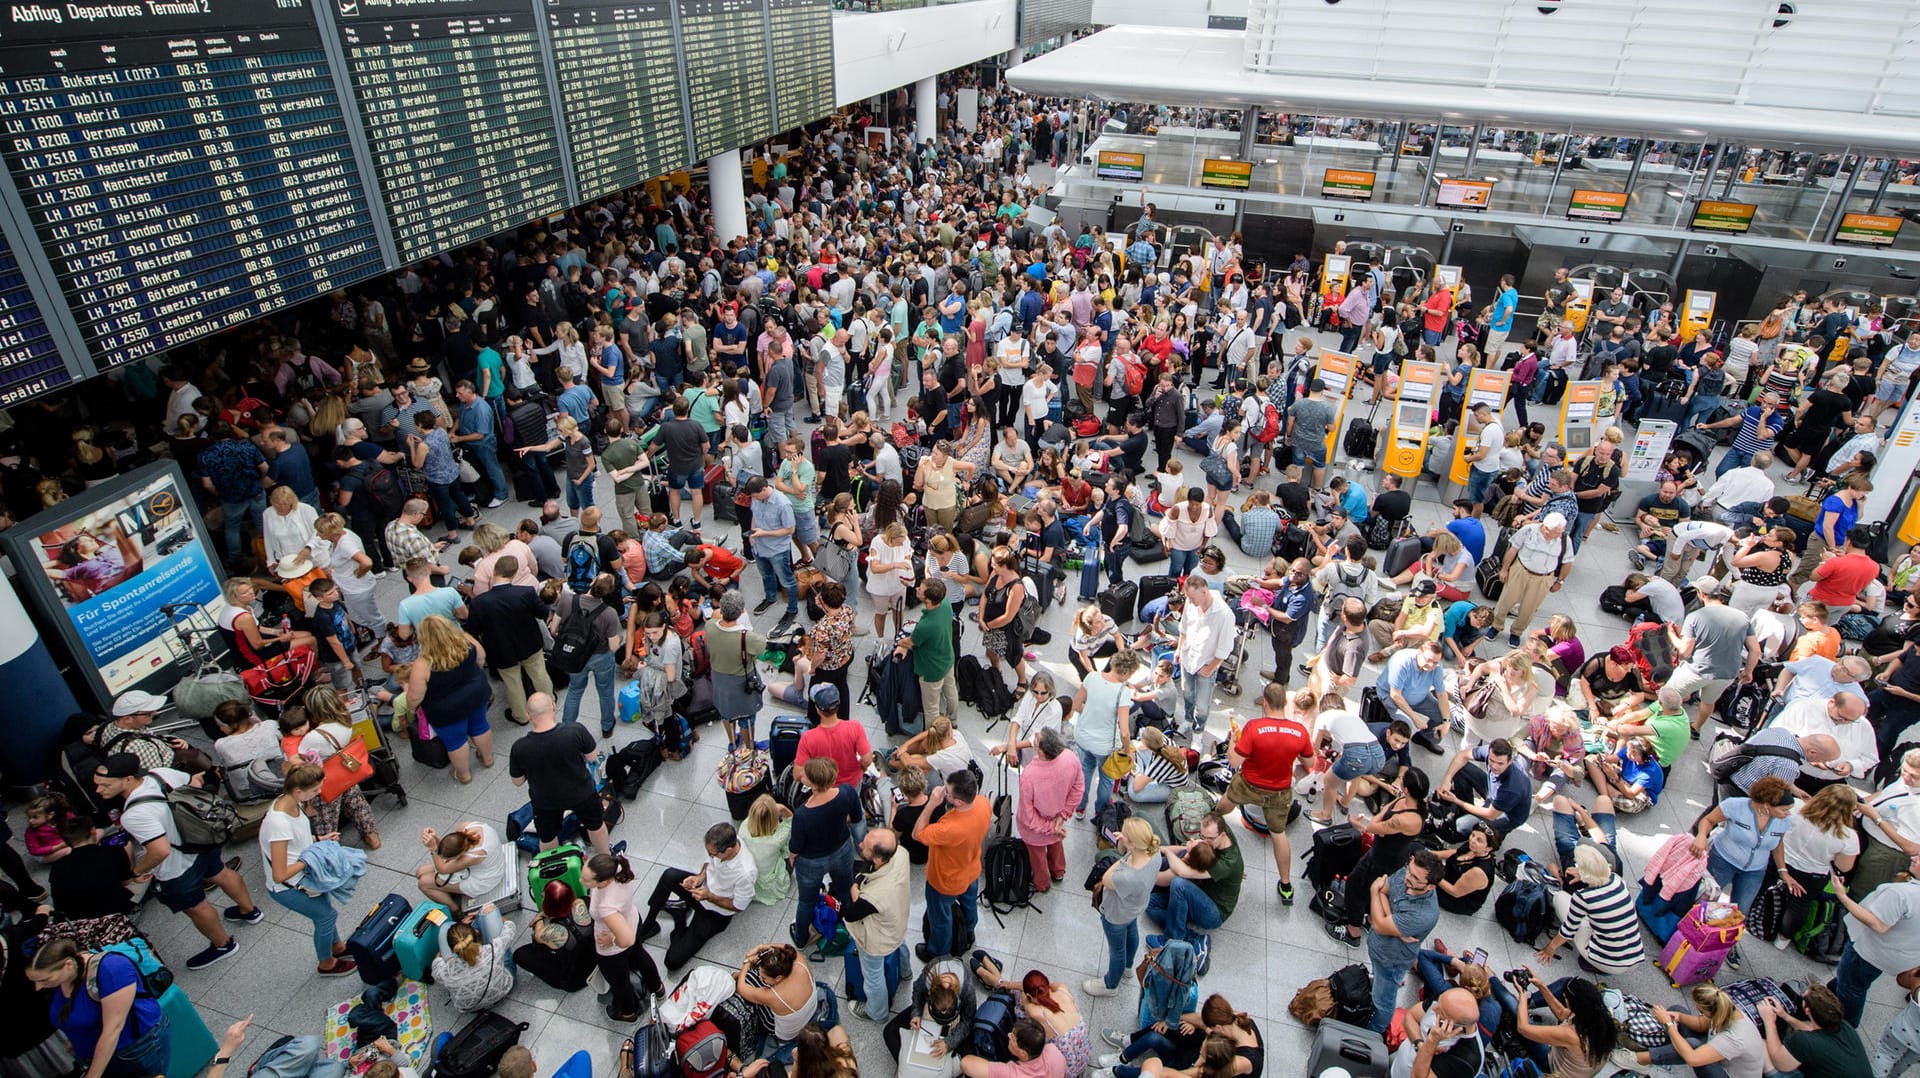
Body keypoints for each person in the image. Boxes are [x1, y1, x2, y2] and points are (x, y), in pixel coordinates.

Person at [91, 753, 260, 971]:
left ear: (128, 779)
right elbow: (195, 782)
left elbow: (160, 850)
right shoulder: (160, 775)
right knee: (221, 873)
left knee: (196, 906)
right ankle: (249, 911)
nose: (99, 790)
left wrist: (136, 871)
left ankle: (223, 945)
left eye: (105, 785)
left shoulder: (133, 815)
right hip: (201, 841)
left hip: (176, 868)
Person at [258, 762, 358, 977]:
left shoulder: (292, 802)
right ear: (298, 791)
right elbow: (279, 874)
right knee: (325, 917)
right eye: (315, 790)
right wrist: (311, 858)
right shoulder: (279, 824)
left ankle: (337, 948)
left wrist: (319, 839)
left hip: (304, 878)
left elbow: (297, 841)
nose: (319, 793)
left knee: (325, 910)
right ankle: (326, 963)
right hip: (288, 886)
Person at [1216, 682, 1310, 904]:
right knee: (1278, 834)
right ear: (1285, 703)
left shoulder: (1254, 727)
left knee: (1225, 803)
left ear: (1265, 703)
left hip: (1249, 783)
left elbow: (1234, 761)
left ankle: (1207, 830)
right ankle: (1285, 885)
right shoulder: (1300, 731)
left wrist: (1233, 739)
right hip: (1279, 791)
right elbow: (1311, 761)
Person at [27, 938, 170, 1078]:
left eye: (44, 980)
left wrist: (93, 1074)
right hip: (98, 1056)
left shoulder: (111, 969)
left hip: (134, 1050)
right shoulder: (61, 979)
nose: (38, 987)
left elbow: (113, 1029)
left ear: (68, 964)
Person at [635, 821, 757, 972]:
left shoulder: (745, 872)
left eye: (714, 854)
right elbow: (709, 862)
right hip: (703, 890)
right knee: (669, 875)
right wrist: (699, 877)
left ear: (729, 849)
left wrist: (709, 896)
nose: (711, 856)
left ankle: (680, 916)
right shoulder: (724, 843)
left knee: (672, 961)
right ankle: (649, 924)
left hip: (715, 914)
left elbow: (739, 906)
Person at [1331, 770, 1430, 948]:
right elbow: (1383, 815)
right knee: (1374, 890)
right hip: (1387, 853)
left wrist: (1370, 825)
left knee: (1355, 887)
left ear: (1406, 789)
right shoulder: (1406, 802)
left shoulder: (1406, 819)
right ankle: (1369, 919)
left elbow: (1375, 826)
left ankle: (1352, 932)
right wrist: (1376, 825)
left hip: (1382, 859)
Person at [507, 692, 611, 856]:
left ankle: (552, 866)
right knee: (595, 825)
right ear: (554, 707)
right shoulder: (575, 730)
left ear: (528, 715)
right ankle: (606, 859)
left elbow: (518, 781)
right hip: (582, 792)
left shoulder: (520, 747)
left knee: (547, 836)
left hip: (545, 801)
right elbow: (592, 757)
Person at [1831, 850, 1920, 1027]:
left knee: (1852, 989)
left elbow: (1878, 924)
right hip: (1898, 956)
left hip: (1869, 952)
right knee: (1849, 981)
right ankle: (1826, 997)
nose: (1913, 858)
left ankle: (1844, 1030)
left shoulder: (1901, 894)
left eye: (1919, 858)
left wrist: (1842, 896)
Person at [913, 767, 992, 961]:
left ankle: (938, 951)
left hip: (945, 881)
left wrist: (931, 804)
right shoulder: (983, 804)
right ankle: (969, 931)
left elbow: (917, 834)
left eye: (946, 792)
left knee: (940, 918)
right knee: (969, 903)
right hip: (971, 869)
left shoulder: (948, 828)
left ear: (958, 801)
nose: (942, 792)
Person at [404, 614, 494, 783]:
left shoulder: (423, 664)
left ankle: (464, 775)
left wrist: (411, 709)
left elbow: (415, 697)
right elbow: (481, 659)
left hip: (445, 709)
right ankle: (487, 759)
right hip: (476, 694)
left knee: (456, 741)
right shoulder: (466, 641)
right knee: (480, 726)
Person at [1362, 850, 1443, 1036]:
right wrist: (1392, 919)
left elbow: (1379, 921)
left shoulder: (1423, 914)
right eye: (1409, 870)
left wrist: (1374, 892)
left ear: (1430, 887)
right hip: (1379, 946)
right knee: (1381, 984)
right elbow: (1384, 894)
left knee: (1383, 1002)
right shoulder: (1408, 873)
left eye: (1415, 878)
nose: (1407, 877)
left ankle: (1375, 1031)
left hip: (1391, 960)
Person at [464, 554, 550, 726]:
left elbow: (472, 630)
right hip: (530, 643)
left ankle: (521, 715)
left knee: (512, 683)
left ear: (494, 572)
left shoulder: (479, 603)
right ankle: (548, 704)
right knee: (539, 674)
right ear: (514, 573)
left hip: (500, 650)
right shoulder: (525, 593)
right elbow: (543, 613)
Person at [1692, 775, 1796, 918]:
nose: (1788, 813)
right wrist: (1701, 836)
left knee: (1740, 913)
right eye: (1784, 809)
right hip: (1722, 860)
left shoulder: (1784, 820)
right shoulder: (1735, 805)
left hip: (1755, 869)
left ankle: (1719, 937)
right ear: (1767, 805)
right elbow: (1709, 820)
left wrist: (1782, 870)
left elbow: (1778, 843)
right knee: (1704, 900)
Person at [1670, 577, 1761, 735]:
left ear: (1701, 594)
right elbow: (1755, 650)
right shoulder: (1742, 618)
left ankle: (1666, 729)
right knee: (1708, 701)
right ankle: (1696, 728)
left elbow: (1685, 651)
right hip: (1727, 674)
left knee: (1669, 696)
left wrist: (1671, 636)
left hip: (1697, 670)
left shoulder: (1696, 616)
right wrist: (1748, 671)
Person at [787, 757, 859, 950]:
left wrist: (792, 858)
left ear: (814, 784)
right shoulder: (846, 792)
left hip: (811, 862)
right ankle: (852, 925)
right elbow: (856, 817)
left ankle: (801, 938)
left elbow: (795, 846)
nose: (801, 775)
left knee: (806, 901)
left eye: (806, 775)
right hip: (842, 850)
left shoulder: (802, 814)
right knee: (845, 890)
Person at [581, 852, 662, 1023]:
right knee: (639, 956)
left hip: (615, 946)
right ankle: (658, 987)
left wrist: (613, 938)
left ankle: (628, 1012)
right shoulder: (617, 868)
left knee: (619, 980)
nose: (582, 881)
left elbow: (626, 940)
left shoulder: (606, 906)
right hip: (632, 920)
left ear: (603, 882)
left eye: (587, 880)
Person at [1146, 812, 1244, 952]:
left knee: (1179, 884)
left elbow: (1182, 872)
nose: (1203, 841)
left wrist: (1167, 851)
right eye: (1201, 835)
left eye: (1208, 838)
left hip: (1214, 911)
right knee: (1150, 903)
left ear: (1222, 835)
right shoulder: (1219, 835)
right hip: (1201, 889)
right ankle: (1193, 937)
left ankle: (1171, 939)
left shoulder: (1228, 863)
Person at [1086, 817, 1160, 999]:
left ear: (1134, 845)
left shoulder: (1127, 875)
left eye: (1125, 835)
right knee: (1132, 932)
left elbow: (1106, 879)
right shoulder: (1155, 853)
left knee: (1116, 949)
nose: (1121, 835)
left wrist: (1121, 855)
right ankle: (1128, 967)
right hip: (1135, 907)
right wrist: (1126, 847)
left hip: (1116, 914)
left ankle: (1110, 984)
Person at [842, 826, 911, 1021]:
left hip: (877, 939)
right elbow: (868, 867)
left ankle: (877, 1012)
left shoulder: (874, 895)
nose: (861, 843)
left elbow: (850, 914)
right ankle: (905, 972)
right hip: (897, 919)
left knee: (873, 976)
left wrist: (854, 889)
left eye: (866, 845)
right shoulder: (900, 853)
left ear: (878, 860)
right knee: (899, 943)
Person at [1632, 983, 1766, 1078]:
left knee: (1693, 1046)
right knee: (1678, 1010)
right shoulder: (1725, 1009)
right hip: (1721, 1051)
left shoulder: (1736, 1038)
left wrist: (1668, 1024)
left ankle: (1636, 1060)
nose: (1700, 1014)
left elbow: (1692, 1059)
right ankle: (1665, 1052)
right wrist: (1678, 1017)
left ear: (1713, 1012)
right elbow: (1701, 1024)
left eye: (1701, 1011)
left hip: (1726, 1073)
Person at [549, 574, 624, 735]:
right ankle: (606, 726)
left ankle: (567, 727)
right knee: (605, 692)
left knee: (575, 690)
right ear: (608, 592)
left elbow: (553, 630)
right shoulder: (609, 613)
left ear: (592, 582)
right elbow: (613, 646)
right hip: (600, 657)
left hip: (574, 656)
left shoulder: (568, 600)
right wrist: (619, 637)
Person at [1069, 648, 1136, 821]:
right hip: (1105, 746)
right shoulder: (1123, 692)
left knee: (1085, 771)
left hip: (1083, 736)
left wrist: (1091, 713)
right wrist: (1127, 750)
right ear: (1127, 672)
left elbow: (1076, 704)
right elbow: (1124, 730)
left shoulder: (1091, 677)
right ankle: (1101, 812)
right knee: (1106, 778)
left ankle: (1080, 808)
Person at [1015, 727, 1082, 894]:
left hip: (1036, 829)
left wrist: (1050, 827)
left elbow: (1027, 815)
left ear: (1041, 750)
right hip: (1058, 817)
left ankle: (1042, 884)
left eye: (1036, 740)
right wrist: (1062, 816)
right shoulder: (1070, 757)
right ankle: (1058, 871)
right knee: (1056, 842)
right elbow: (1078, 788)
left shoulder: (1029, 775)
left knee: (1037, 856)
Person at [735, 942, 825, 1063]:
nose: (761, 979)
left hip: (786, 1034)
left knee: (750, 977)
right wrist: (762, 947)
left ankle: (735, 976)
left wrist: (747, 962)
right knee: (755, 976)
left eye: (764, 978)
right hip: (810, 1010)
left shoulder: (773, 996)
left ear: (778, 978)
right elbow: (787, 948)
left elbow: (742, 988)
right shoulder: (800, 961)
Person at [1757, 984, 1869, 1078]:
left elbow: (1780, 1063)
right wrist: (1784, 1016)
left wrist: (1769, 1021)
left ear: (1807, 1010)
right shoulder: (1843, 1025)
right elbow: (1811, 1029)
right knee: (1805, 1026)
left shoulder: (1804, 1040)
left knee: (1760, 1044)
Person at [1175, 577, 1237, 735]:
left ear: (1204, 592)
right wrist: (1179, 649)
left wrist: (1210, 668)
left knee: (1202, 705)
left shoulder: (1224, 615)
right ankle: (1188, 720)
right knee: (1187, 692)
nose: (1190, 601)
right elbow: (1184, 627)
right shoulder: (1191, 602)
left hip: (1205, 664)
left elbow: (1225, 647)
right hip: (1187, 658)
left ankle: (1198, 732)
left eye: (1193, 598)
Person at [897, 578, 961, 727]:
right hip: (947, 658)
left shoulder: (926, 626)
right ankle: (953, 720)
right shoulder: (945, 603)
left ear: (928, 600)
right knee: (951, 691)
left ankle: (932, 738)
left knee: (931, 707)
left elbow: (910, 642)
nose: (918, 588)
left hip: (931, 669)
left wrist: (900, 643)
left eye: (921, 589)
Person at [414, 821, 509, 913]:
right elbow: (449, 849)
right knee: (420, 872)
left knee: (423, 883)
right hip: (486, 865)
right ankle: (448, 891)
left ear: (461, 854)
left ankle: (455, 911)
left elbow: (442, 869)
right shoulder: (466, 827)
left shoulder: (474, 855)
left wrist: (433, 848)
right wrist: (435, 839)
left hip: (485, 879)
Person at [433, 914, 516, 1012]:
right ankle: (476, 921)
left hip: (469, 1007)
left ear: (452, 950)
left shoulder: (445, 972)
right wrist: (487, 915)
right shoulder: (493, 949)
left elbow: (436, 963)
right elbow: (510, 927)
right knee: (490, 909)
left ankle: (460, 934)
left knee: (445, 927)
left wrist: (446, 957)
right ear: (476, 934)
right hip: (503, 989)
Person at [958, 1018, 1064, 1078]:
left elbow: (966, 1063)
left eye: (1013, 1038)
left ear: (1023, 1053)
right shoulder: (1054, 1051)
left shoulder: (1013, 1074)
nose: (1008, 1035)